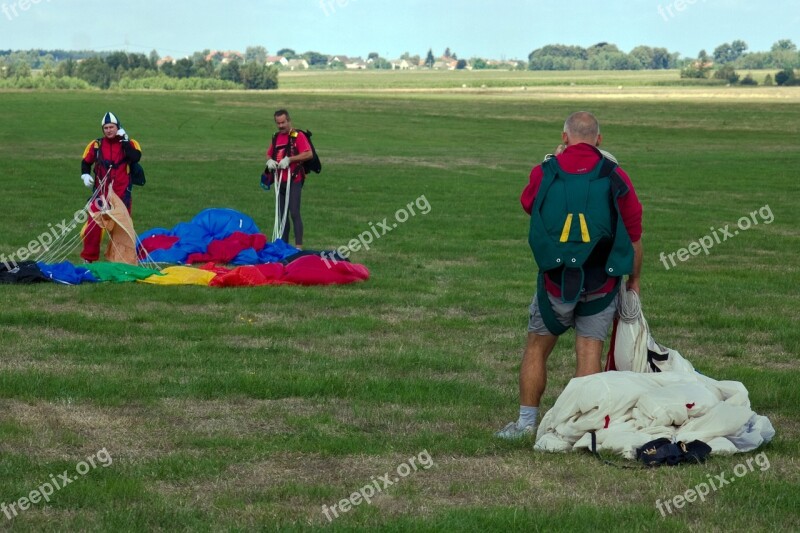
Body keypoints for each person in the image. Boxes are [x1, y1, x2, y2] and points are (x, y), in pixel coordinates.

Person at [496, 111, 643, 439]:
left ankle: (525, 424)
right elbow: (634, 236)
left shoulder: (545, 171)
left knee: (536, 347)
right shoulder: (617, 176)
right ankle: (578, 431)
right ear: (599, 140)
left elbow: (528, 204)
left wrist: (553, 163)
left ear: (564, 137)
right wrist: (634, 281)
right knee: (589, 352)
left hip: (554, 282)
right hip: (601, 282)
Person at [79, 112, 142, 263]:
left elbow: (135, 157)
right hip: (101, 195)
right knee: (93, 226)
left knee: (122, 229)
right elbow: (85, 162)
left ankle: (121, 260)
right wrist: (85, 175)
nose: (109, 130)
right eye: (106, 128)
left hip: (122, 195)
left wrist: (125, 140)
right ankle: (88, 258)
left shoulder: (130, 143)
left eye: (111, 127)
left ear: (118, 127)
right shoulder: (96, 145)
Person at [262, 109, 313, 248]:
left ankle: (298, 247)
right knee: (281, 215)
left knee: (294, 212)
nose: (281, 126)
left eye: (283, 122)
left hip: (294, 180)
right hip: (280, 182)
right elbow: (269, 154)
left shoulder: (298, 136)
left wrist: (290, 159)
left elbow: (308, 154)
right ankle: (283, 246)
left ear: (289, 121)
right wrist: (269, 161)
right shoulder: (276, 137)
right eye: (278, 123)